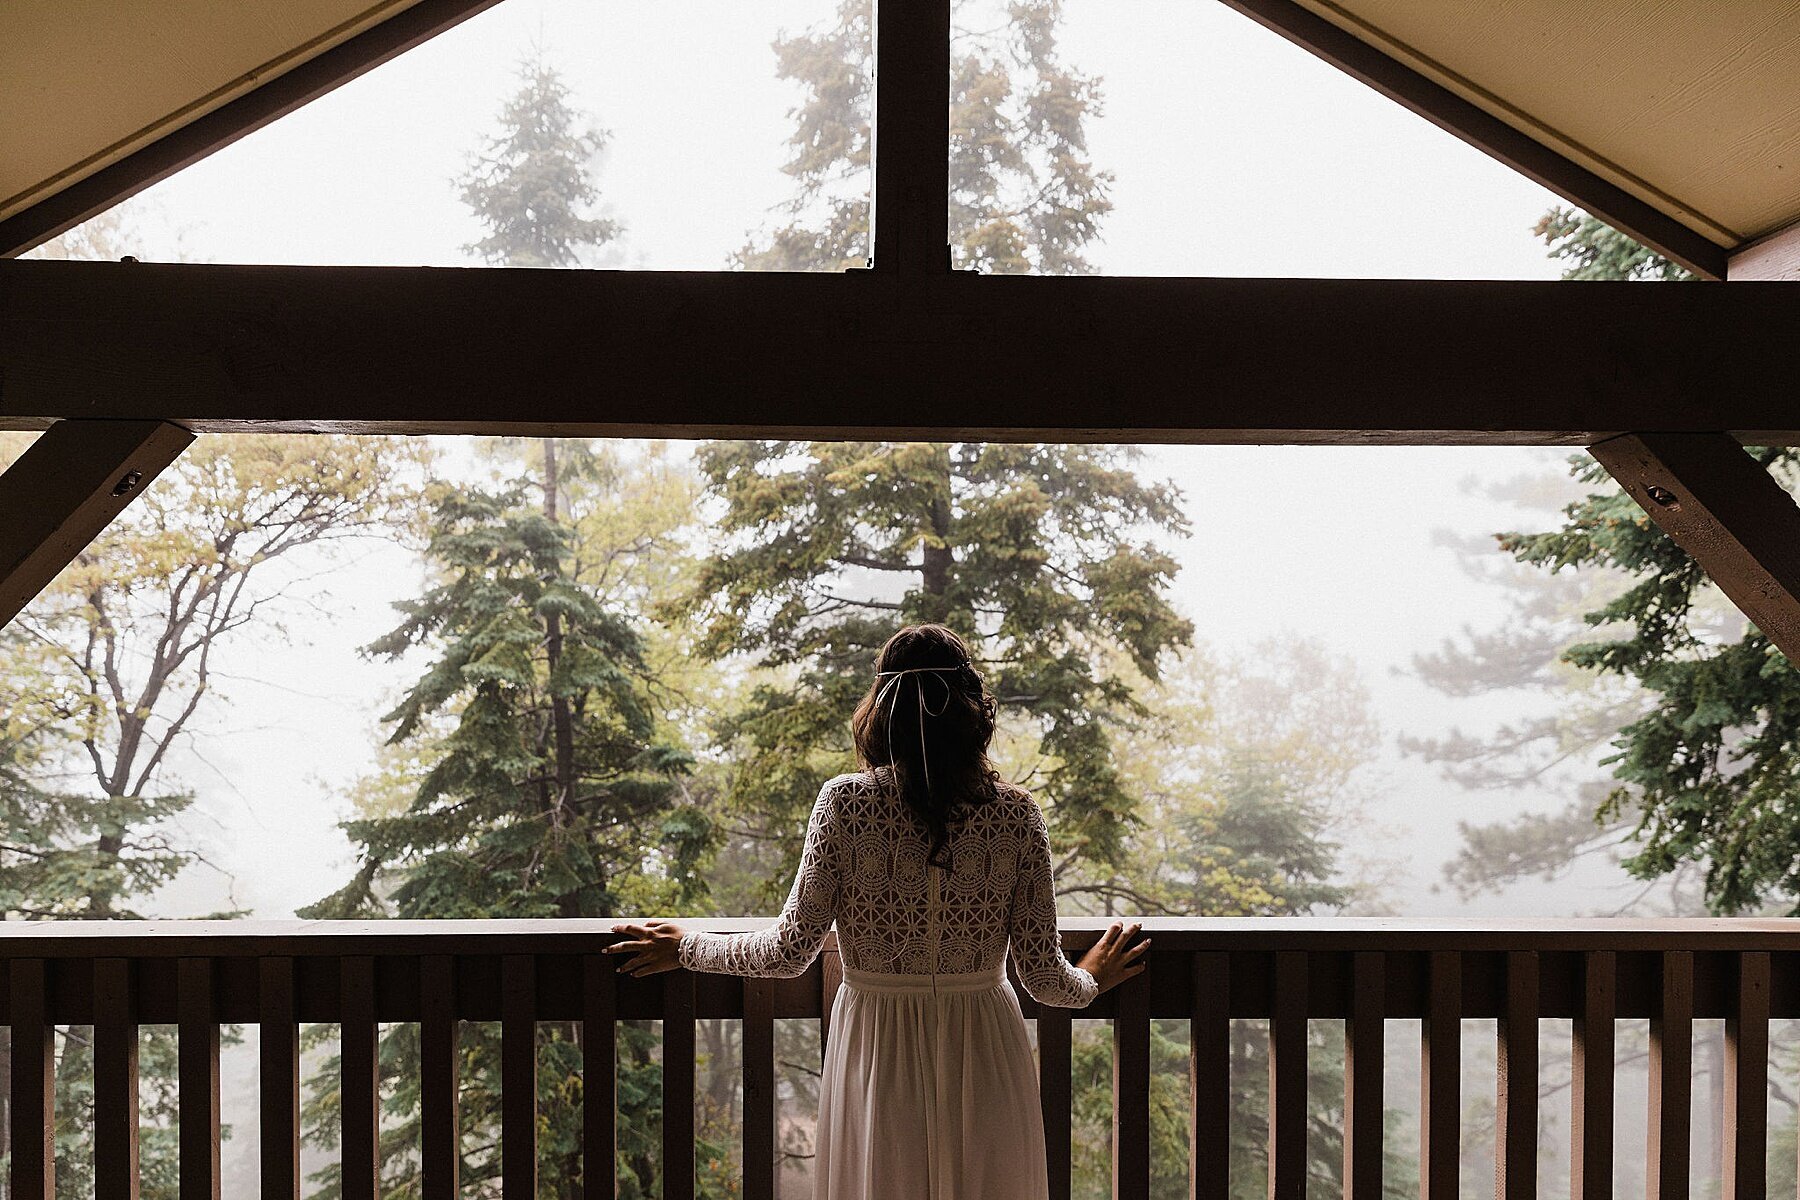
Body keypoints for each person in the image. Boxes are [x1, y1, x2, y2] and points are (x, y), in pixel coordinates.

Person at [606, 622, 1147, 1200]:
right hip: (985, 1044)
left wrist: (685, 946)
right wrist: (1092, 979)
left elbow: (788, 953)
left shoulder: (845, 804)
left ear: (879, 710)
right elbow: (1043, 979)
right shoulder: (1015, 815)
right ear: (972, 711)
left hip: (877, 1047)